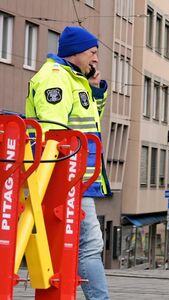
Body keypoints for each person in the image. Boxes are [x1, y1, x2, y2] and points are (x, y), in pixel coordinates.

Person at [25, 26, 110, 300]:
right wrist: (62, 181)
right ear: (76, 52)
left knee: (78, 245)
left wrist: (96, 93)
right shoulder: (56, 78)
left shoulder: (75, 80)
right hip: (66, 180)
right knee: (90, 244)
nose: (96, 59)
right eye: (92, 52)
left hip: (76, 180)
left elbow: (87, 126)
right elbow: (54, 135)